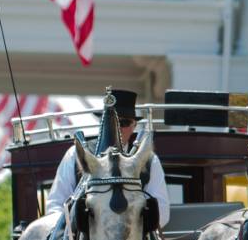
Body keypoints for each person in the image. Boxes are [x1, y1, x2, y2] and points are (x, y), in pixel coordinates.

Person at [47, 88, 170, 229]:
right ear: (101, 123)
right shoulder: (75, 155)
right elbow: (56, 206)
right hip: (82, 238)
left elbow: (162, 211)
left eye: (124, 123)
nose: (117, 128)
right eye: (111, 123)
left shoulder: (149, 159)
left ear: (134, 125)